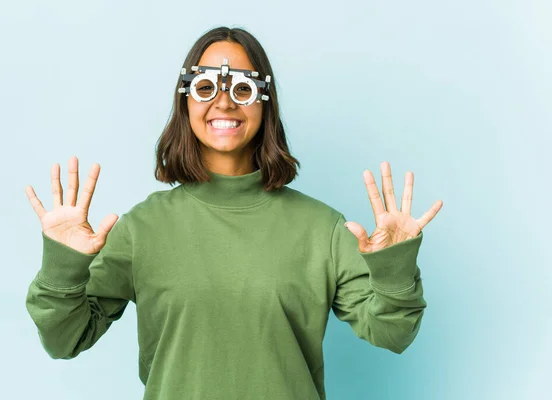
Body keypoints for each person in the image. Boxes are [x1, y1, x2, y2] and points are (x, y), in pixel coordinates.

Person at [24, 26, 443, 400]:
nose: (223, 104)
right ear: (186, 100)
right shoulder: (143, 229)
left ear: (264, 102)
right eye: (206, 87)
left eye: (241, 89)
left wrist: (394, 268)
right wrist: (63, 268)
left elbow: (393, 333)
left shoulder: (322, 229)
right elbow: (65, 339)